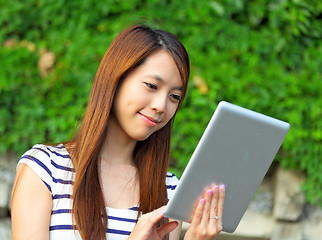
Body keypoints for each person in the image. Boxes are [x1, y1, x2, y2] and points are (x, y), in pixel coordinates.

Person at [11, 24, 225, 240]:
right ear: (116, 79)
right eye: (151, 85)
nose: (161, 106)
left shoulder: (169, 190)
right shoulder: (45, 169)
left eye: (174, 97)